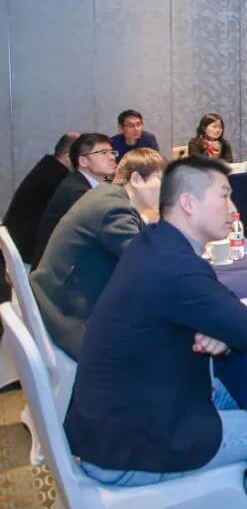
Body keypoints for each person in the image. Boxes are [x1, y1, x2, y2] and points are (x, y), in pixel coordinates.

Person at [65, 156, 247, 508]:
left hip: (115, 420)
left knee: (246, 394)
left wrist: (221, 328)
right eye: (224, 196)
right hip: (129, 446)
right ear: (188, 204)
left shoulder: (154, 242)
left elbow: (222, 305)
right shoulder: (175, 267)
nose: (233, 209)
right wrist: (225, 327)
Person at [30, 149, 166, 360]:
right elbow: (150, 265)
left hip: (57, 298)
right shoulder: (115, 209)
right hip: (72, 318)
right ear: (136, 179)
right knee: (168, 338)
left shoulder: (107, 194)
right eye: (161, 180)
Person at [32, 133, 116, 266]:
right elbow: (108, 233)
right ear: (83, 161)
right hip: (60, 272)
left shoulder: (83, 182)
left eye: (112, 152)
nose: (112, 157)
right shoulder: (77, 192)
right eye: (104, 153)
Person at [3, 132, 78, 261]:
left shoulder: (48, 167)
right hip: (31, 252)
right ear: (67, 156)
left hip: (20, 245)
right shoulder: (58, 179)